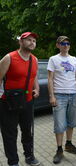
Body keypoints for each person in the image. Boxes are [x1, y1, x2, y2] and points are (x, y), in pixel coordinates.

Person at [0, 32, 40, 166]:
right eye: (28, 40)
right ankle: (13, 162)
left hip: (27, 101)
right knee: (10, 133)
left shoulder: (34, 59)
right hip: (8, 102)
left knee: (27, 131)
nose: (32, 42)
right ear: (21, 42)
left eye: (34, 40)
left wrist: (37, 89)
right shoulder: (9, 58)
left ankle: (29, 156)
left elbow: (34, 77)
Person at [47, 36, 76, 164]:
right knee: (60, 124)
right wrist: (51, 96)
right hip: (59, 95)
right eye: (63, 43)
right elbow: (50, 78)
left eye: (67, 43)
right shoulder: (53, 59)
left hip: (73, 94)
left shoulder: (74, 59)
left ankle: (69, 144)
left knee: (71, 122)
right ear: (58, 45)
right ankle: (59, 149)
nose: (65, 45)